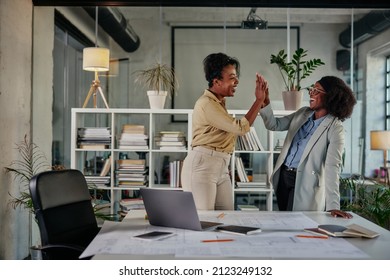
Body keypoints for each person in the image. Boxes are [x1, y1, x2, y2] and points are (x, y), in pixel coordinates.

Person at [260, 76, 356, 218]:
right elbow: (274, 124)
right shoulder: (302, 113)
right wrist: (265, 100)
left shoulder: (335, 128)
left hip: (305, 182)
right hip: (283, 177)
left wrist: (333, 206)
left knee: (297, 223)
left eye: (317, 91)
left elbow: (332, 167)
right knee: (284, 220)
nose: (311, 93)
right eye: (312, 89)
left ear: (331, 96)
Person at [181, 52, 268, 210]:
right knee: (204, 221)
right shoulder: (206, 103)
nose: (237, 81)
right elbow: (240, 128)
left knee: (225, 217)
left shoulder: (219, 103)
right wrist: (259, 100)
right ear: (216, 81)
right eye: (232, 77)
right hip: (203, 166)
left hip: (221, 166)